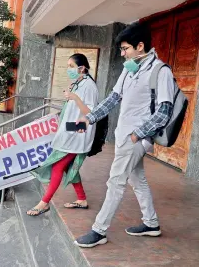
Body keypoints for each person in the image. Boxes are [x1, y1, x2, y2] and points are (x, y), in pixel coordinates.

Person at [74, 22, 175, 247]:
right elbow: (113, 98)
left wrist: (137, 134)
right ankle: (151, 223)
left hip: (136, 138)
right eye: (120, 49)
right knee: (136, 179)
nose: (122, 53)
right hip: (125, 136)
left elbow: (164, 111)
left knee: (116, 182)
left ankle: (98, 231)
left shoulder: (161, 71)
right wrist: (89, 118)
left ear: (140, 46)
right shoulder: (129, 69)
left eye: (126, 48)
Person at [27, 53, 99, 216]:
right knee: (67, 166)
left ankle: (44, 203)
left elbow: (91, 112)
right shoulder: (79, 83)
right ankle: (81, 198)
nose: (69, 70)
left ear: (82, 68)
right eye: (68, 66)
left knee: (58, 165)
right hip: (71, 129)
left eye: (71, 66)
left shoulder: (90, 86)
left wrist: (74, 98)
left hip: (80, 132)